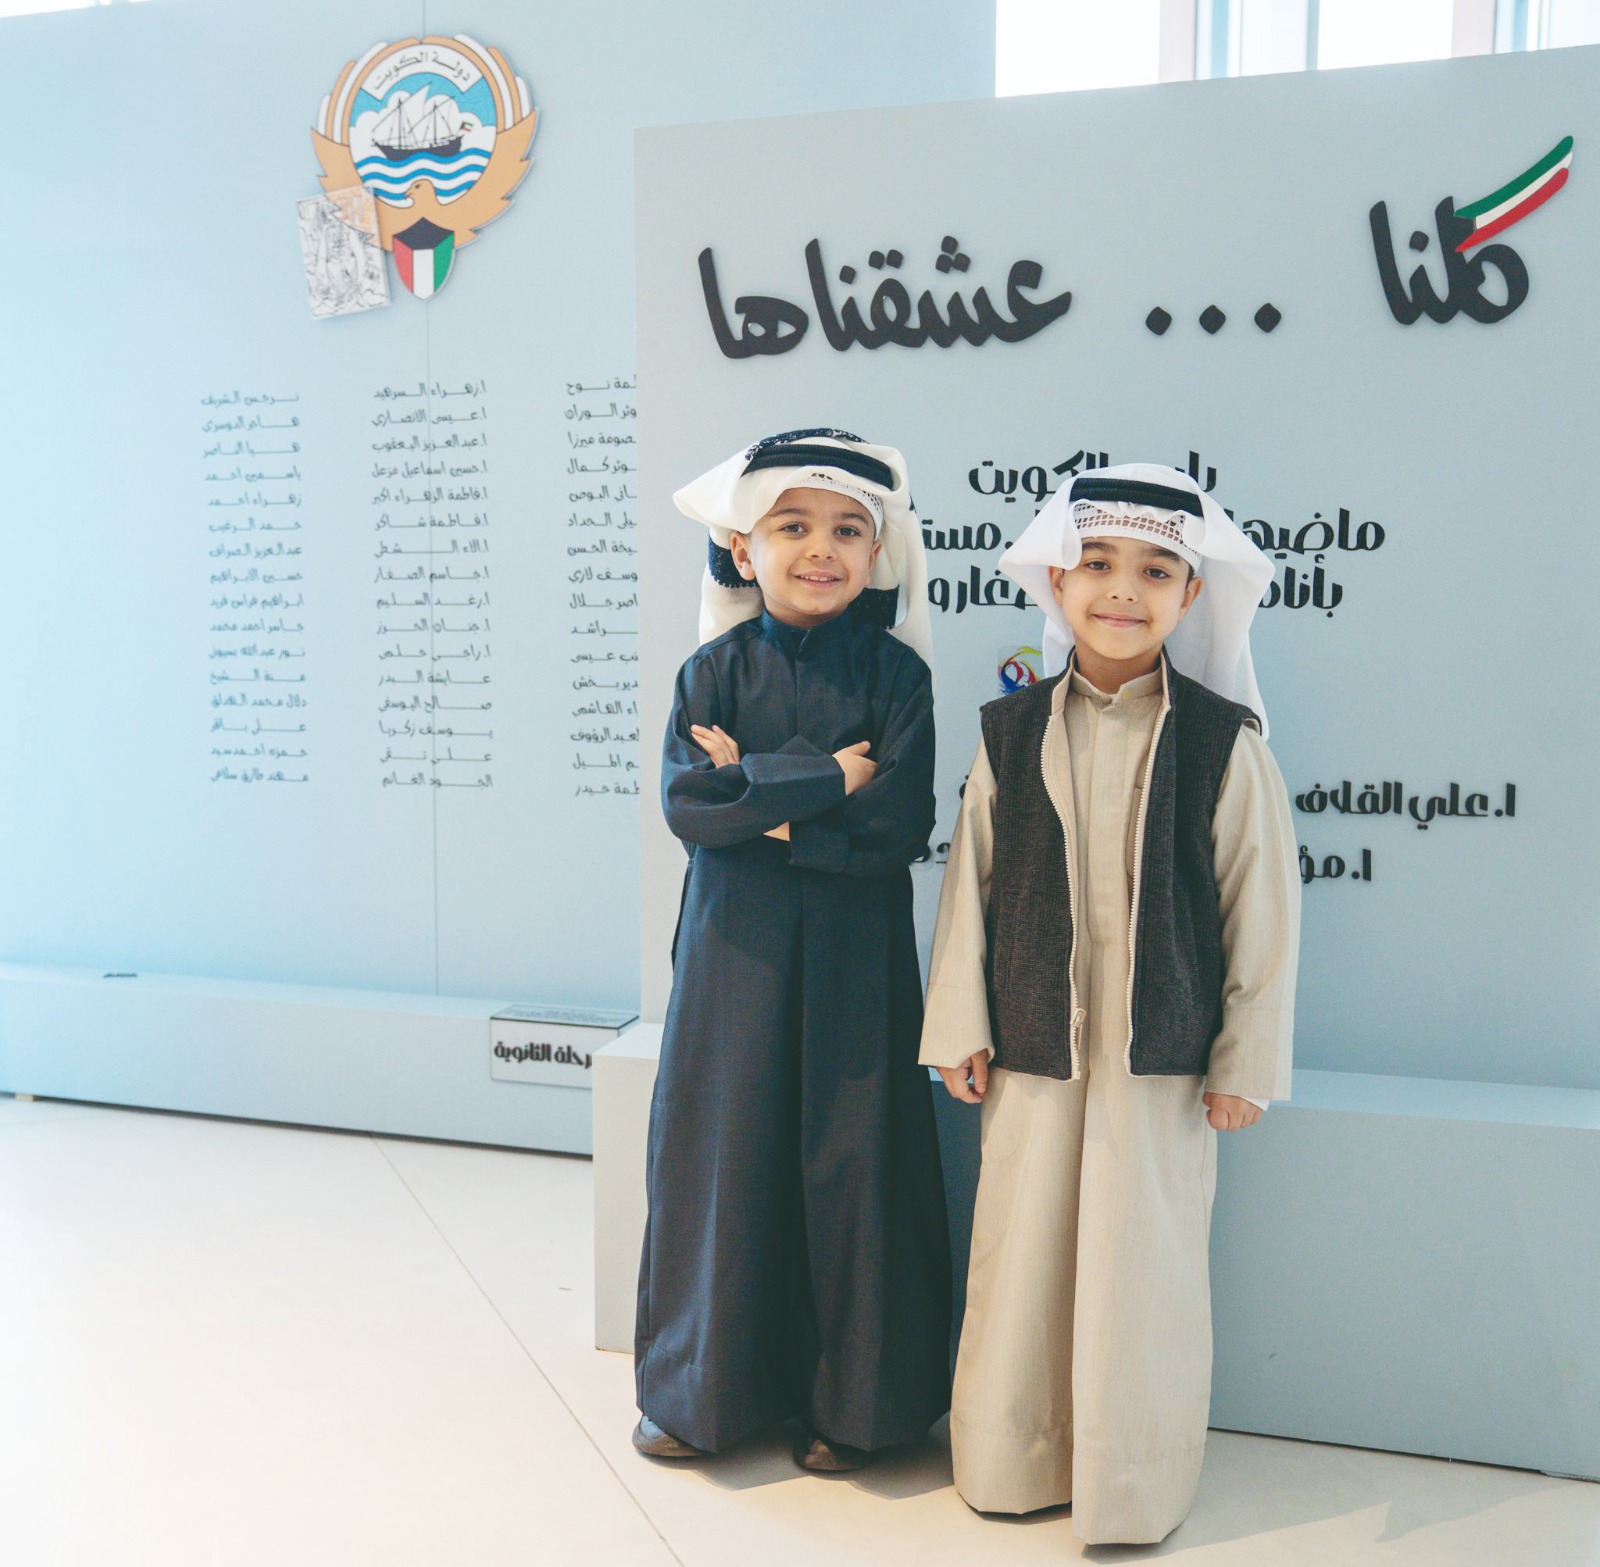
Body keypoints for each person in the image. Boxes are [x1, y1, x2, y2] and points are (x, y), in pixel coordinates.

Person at [920, 463, 1299, 1544]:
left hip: (1161, 1064)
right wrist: (958, 1025)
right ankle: (1012, 1459)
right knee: (1021, 1259)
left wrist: (1243, 1062)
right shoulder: (1009, 729)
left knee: (1144, 1273)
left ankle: (1133, 1483)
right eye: (1096, 562)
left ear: (1191, 594)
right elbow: (970, 885)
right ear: (1057, 578)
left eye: (1154, 570)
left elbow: (1262, 912)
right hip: (1033, 1048)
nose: (1122, 588)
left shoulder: (1224, 740)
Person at [635, 429, 951, 1473]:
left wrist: (759, 798)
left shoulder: (898, 678)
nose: (822, 549)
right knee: (723, 1155)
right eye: (793, 526)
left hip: (858, 960)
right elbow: (692, 806)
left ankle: (854, 1407)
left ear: (877, 552)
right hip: (733, 953)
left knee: (853, 1160)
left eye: (848, 530)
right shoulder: (710, 673)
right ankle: (699, 1395)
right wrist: (827, 781)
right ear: (742, 548)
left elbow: (895, 827)